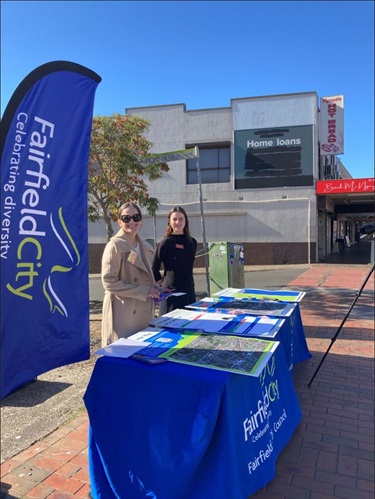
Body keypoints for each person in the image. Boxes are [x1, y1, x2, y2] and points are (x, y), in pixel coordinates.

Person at [101, 202, 162, 346]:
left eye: (136, 217)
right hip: (124, 312)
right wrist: (143, 291)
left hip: (143, 311)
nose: (132, 222)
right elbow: (109, 282)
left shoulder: (145, 246)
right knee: (123, 356)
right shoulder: (115, 246)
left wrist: (158, 289)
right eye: (126, 218)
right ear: (119, 222)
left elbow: (147, 278)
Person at [152, 206, 197, 315]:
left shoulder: (192, 242)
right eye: (174, 219)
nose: (178, 222)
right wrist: (160, 281)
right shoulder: (165, 242)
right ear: (169, 222)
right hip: (170, 292)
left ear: (186, 220)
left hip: (188, 290)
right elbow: (154, 266)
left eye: (181, 219)